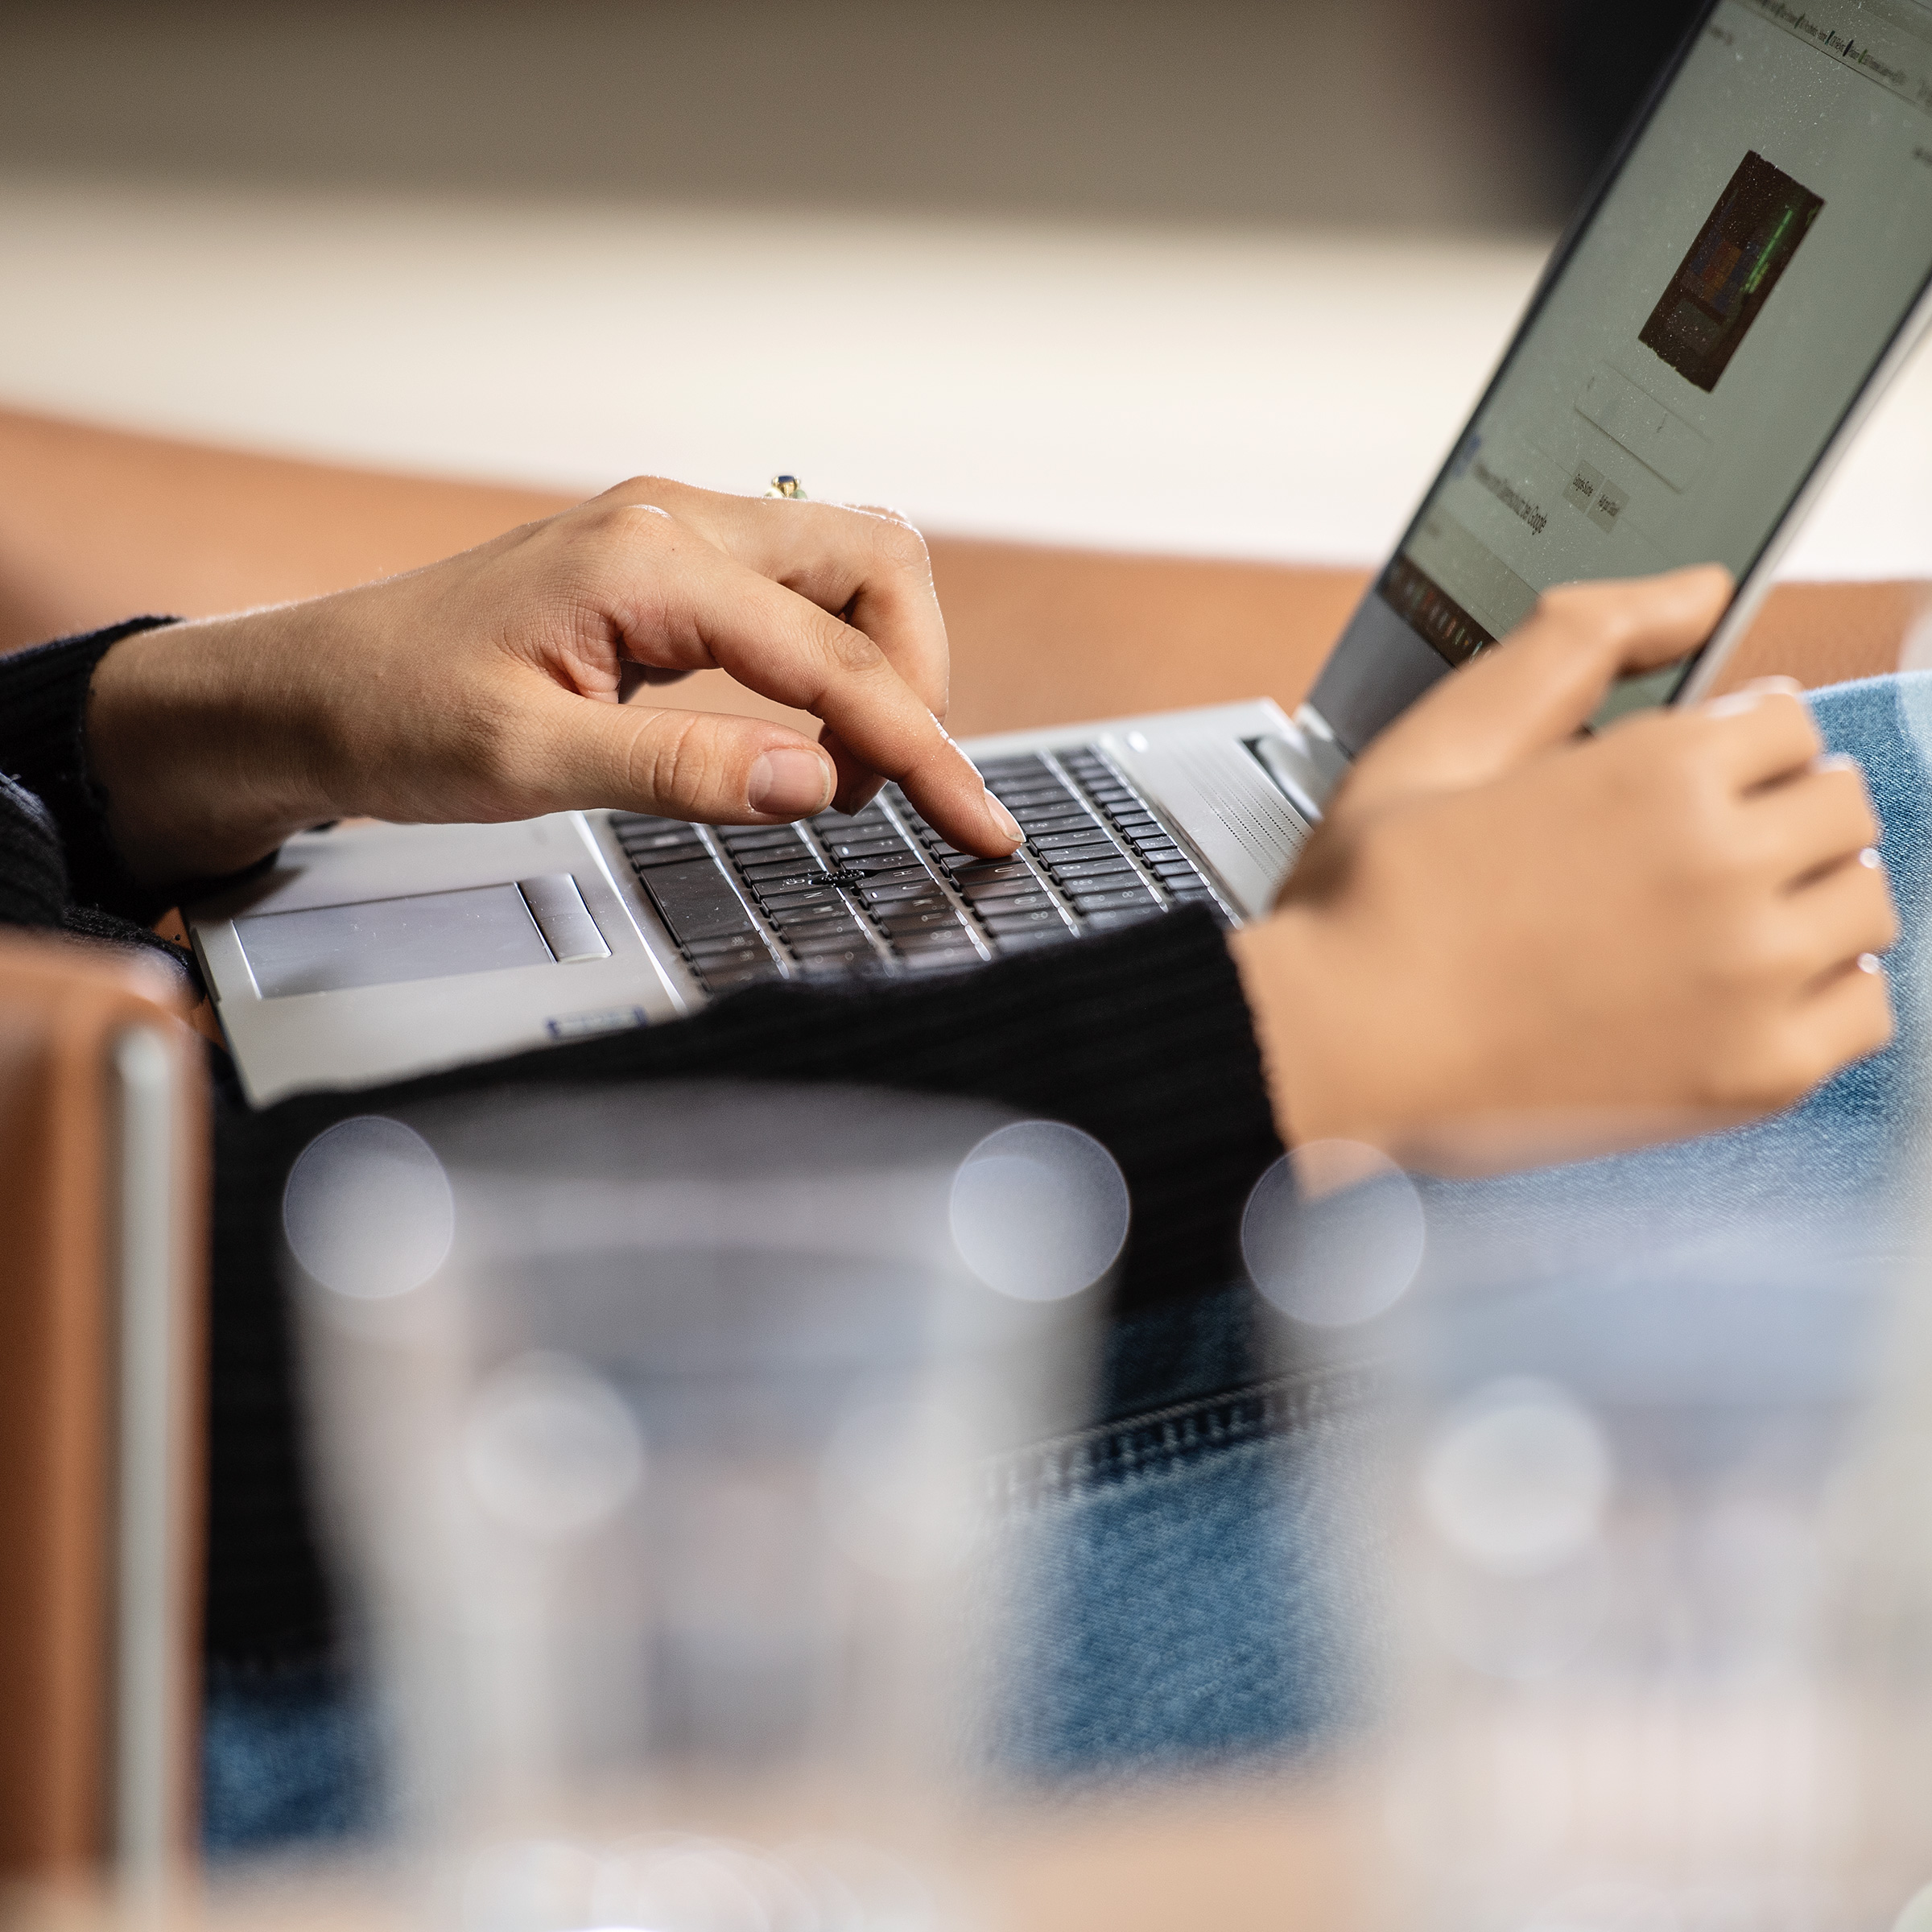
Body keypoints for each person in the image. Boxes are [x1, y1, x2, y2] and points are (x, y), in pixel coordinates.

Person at [0, 477, 1907, 1842]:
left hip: (168, 1180)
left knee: (1861, 811)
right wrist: (1317, 1028)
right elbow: (86, 1390)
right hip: (156, 1667)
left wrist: (155, 731)